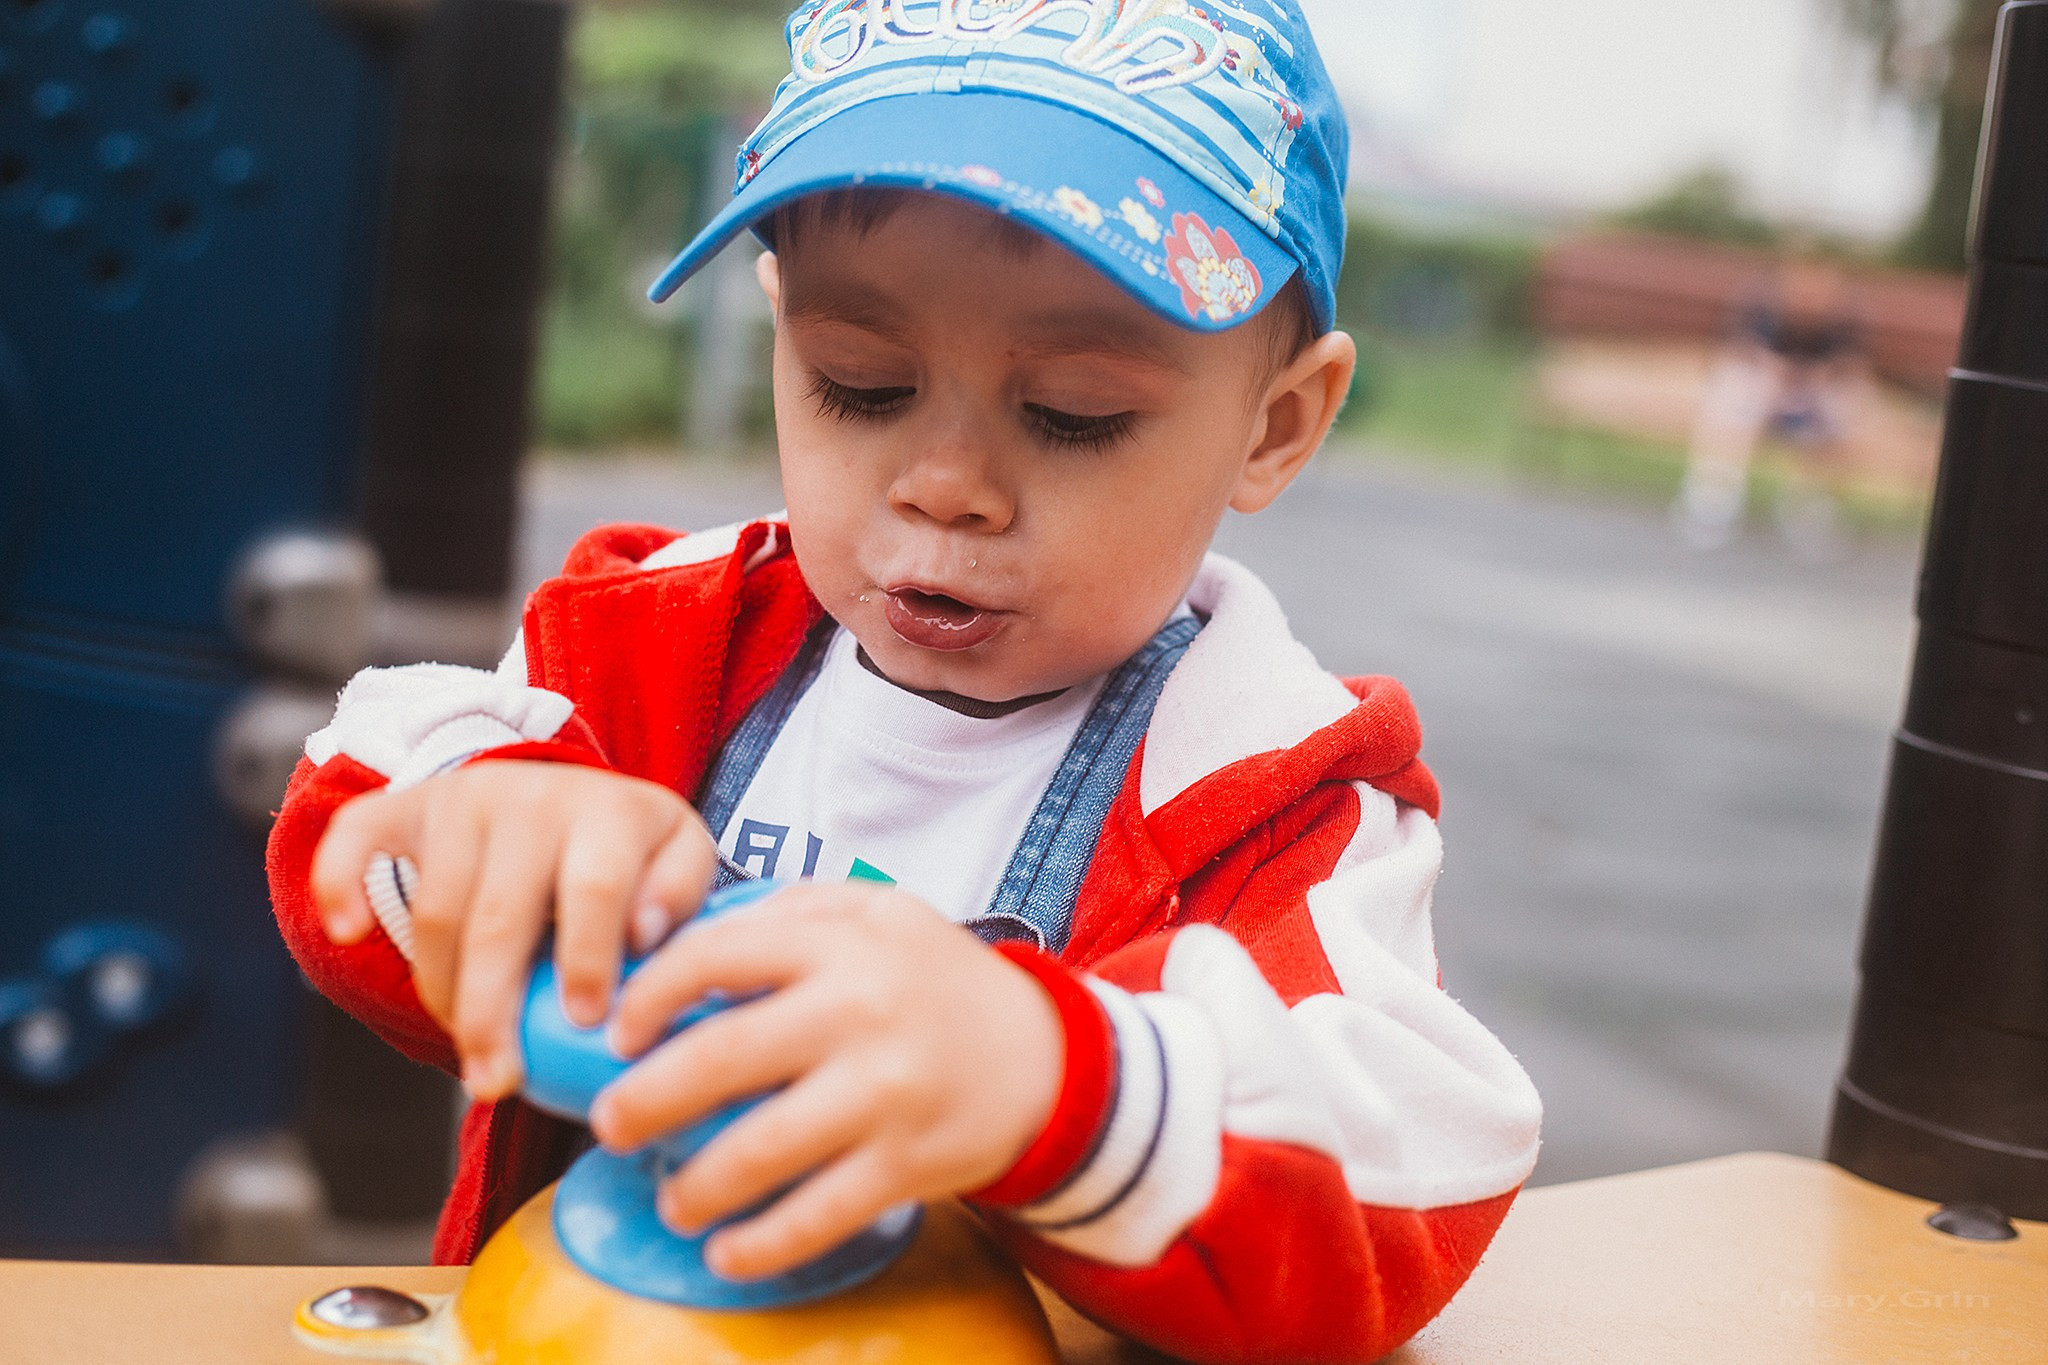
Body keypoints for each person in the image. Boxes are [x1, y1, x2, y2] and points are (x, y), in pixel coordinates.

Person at [269, 4, 1543, 1361]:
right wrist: (487, 826)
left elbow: (1412, 1160)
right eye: (858, 383)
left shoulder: (1270, 792)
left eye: (1072, 412)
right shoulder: (656, 647)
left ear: (1274, 424)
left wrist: (1057, 1084)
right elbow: (354, 816)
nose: (945, 487)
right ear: (780, 338)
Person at [1672, 254, 1874, 556]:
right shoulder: (1763, 309)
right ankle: (1713, 502)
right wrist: (1774, 378)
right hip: (1760, 395)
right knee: (1736, 400)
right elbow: (1740, 352)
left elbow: (1850, 365)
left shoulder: (1840, 320)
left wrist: (1810, 383)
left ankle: (1810, 510)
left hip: (1810, 400)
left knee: (1840, 412)